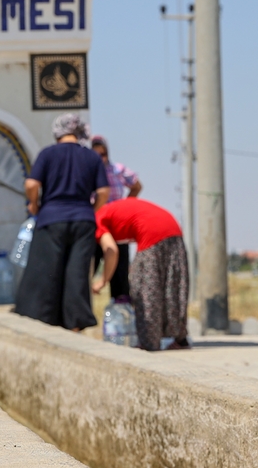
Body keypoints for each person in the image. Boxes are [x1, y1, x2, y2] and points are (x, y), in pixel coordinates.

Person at [14, 114, 109, 330]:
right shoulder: (92, 157)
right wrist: (90, 210)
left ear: (58, 133)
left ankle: (44, 319)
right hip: (83, 220)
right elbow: (103, 192)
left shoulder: (48, 154)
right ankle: (75, 322)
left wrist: (35, 204)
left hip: (51, 218)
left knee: (47, 270)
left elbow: (31, 184)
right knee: (77, 271)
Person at [93, 198, 189, 351]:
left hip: (151, 235)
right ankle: (180, 339)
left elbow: (111, 250)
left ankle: (149, 343)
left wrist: (102, 281)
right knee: (172, 288)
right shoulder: (108, 210)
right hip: (173, 229)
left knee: (145, 290)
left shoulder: (97, 219)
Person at [89, 135, 142, 300]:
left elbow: (136, 185)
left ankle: (121, 307)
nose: (100, 158)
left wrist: (125, 206)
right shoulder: (87, 172)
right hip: (96, 224)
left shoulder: (117, 170)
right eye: (96, 155)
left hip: (116, 226)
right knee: (89, 265)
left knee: (120, 272)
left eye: (103, 154)